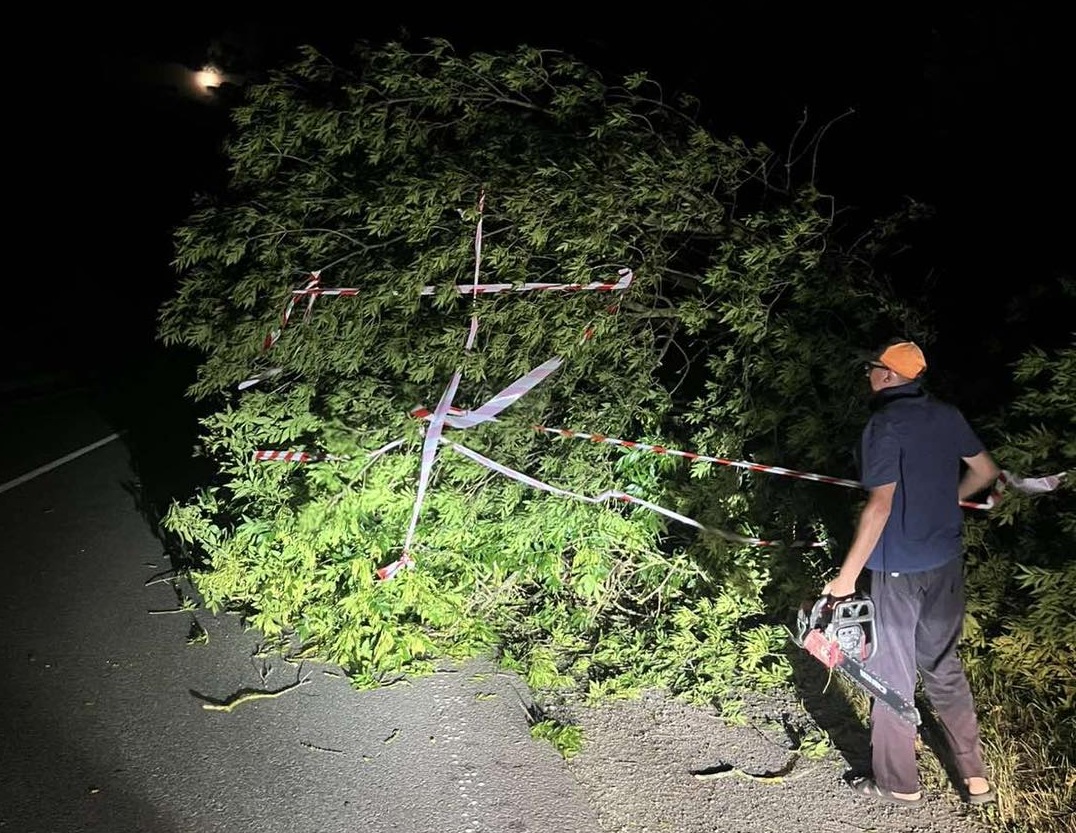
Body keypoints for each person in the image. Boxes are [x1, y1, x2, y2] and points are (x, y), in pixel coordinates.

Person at [821, 339, 1000, 807]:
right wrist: (945, 501)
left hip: (898, 569)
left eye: (872, 368)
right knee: (943, 668)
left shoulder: (884, 424)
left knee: (890, 676)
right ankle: (976, 778)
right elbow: (985, 471)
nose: (868, 374)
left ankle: (899, 783)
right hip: (944, 561)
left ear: (888, 375)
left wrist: (844, 580)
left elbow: (878, 507)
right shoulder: (946, 414)